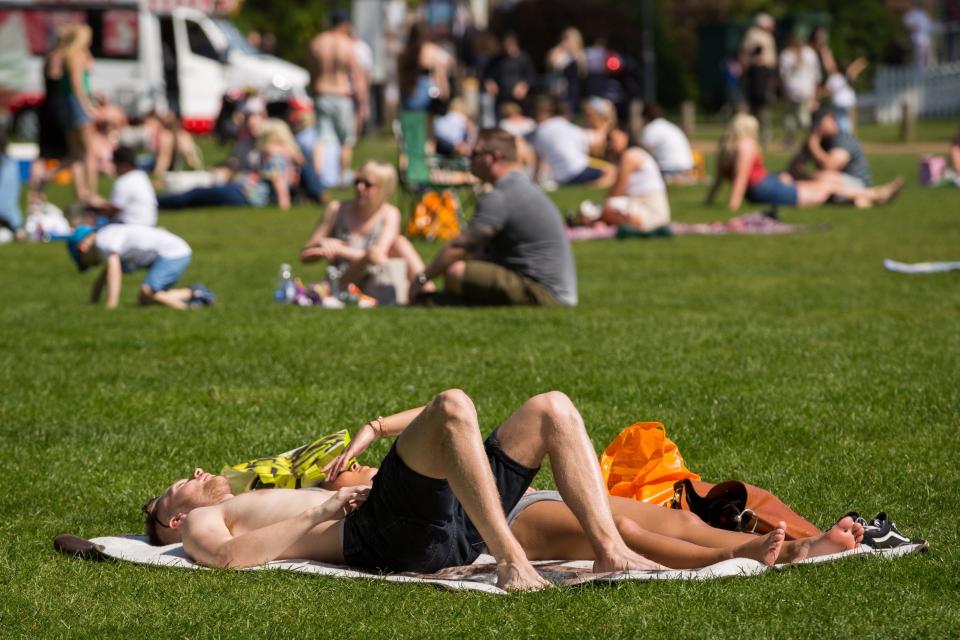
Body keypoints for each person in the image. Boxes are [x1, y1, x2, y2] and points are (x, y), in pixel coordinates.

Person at [142, 394, 868, 582]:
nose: (199, 475)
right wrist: (331, 508)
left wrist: (350, 466)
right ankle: (517, 565)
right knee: (453, 405)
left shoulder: (259, 482)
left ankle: (767, 551)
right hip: (377, 534)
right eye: (184, 485)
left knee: (551, 408)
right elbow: (233, 561)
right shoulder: (212, 528)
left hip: (438, 513)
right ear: (172, 524)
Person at [409, 128, 577, 307]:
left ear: (493, 157)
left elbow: (460, 246)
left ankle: (435, 300)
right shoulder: (519, 186)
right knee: (467, 267)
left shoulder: (502, 195)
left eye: (475, 153)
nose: (469, 158)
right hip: (547, 288)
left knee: (456, 272)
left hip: (544, 294)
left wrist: (421, 278)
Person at [705, 113, 897, 211]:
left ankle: (872, 194)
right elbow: (741, 178)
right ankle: (875, 195)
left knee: (825, 184)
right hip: (765, 188)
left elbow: (720, 180)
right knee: (825, 188)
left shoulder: (727, 149)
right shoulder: (746, 145)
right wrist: (733, 205)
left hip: (767, 184)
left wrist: (709, 201)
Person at [299, 160, 430, 295]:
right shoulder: (336, 209)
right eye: (357, 182)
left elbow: (377, 256)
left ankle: (428, 289)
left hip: (375, 278)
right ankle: (425, 290)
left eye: (367, 184)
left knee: (400, 243)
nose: (360, 187)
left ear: (385, 189)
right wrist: (322, 244)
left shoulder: (390, 214)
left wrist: (339, 250)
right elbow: (304, 255)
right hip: (342, 280)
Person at [158, 118, 302, 211]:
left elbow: (278, 180)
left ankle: (157, 202)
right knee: (197, 198)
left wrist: (284, 204)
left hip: (245, 195)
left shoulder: (274, 153)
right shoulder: (288, 153)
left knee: (196, 194)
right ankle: (160, 202)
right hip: (247, 195)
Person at [66, 223, 213, 310]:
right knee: (145, 300)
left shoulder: (103, 242)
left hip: (173, 253)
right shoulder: (106, 235)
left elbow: (114, 272)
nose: (91, 265)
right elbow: (103, 277)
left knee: (147, 292)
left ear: (82, 247)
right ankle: (194, 294)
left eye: (84, 261)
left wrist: (111, 305)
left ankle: (189, 307)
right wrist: (94, 302)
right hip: (173, 251)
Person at [789, 108, 903, 206]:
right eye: (818, 124)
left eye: (824, 122)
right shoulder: (818, 140)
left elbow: (830, 166)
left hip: (858, 183)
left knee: (826, 177)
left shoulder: (843, 138)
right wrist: (807, 176)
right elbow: (793, 168)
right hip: (830, 184)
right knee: (788, 179)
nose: (832, 122)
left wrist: (814, 146)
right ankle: (863, 198)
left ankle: (872, 194)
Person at [307, 10, 369, 184]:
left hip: (322, 93)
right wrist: (362, 103)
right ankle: (342, 178)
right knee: (346, 141)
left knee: (321, 138)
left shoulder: (317, 42)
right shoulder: (348, 44)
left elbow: (311, 72)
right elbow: (357, 76)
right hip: (342, 95)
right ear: (345, 24)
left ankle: (317, 179)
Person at [576, 130, 670, 233]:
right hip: (648, 209)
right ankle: (595, 220)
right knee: (609, 207)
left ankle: (593, 221)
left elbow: (617, 192)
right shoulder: (635, 153)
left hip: (651, 214)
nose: (610, 144)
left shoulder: (630, 156)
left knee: (610, 206)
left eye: (612, 140)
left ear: (625, 136)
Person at [58, 24, 101, 204]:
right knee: (89, 152)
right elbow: (78, 83)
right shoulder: (76, 55)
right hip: (77, 103)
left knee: (76, 153)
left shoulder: (67, 54)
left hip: (67, 103)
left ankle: (81, 193)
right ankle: (91, 193)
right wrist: (87, 105)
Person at [530, 96, 614, 188]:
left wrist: (534, 181)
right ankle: (589, 187)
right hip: (577, 171)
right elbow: (597, 139)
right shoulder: (562, 125)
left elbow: (538, 161)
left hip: (561, 178)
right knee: (611, 171)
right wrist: (607, 124)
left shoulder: (539, 131)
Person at [90, 146, 158, 226]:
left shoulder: (123, 181)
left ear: (124, 165)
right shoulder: (142, 176)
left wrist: (95, 211)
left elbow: (113, 211)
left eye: (115, 164)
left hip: (130, 226)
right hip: (149, 224)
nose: (114, 169)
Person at [778, 31, 822, 147]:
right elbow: (816, 75)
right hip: (797, 90)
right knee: (795, 116)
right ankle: (798, 138)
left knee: (799, 116)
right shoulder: (789, 54)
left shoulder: (804, 54)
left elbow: (815, 74)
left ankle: (808, 139)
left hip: (799, 90)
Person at [740, 14, 777, 146]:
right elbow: (748, 53)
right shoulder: (753, 34)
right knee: (752, 107)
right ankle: (749, 135)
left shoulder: (769, 37)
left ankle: (765, 136)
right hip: (755, 73)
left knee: (763, 108)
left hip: (765, 73)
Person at [397, 22, 451, 112]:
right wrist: (445, 96)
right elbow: (440, 75)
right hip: (427, 96)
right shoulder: (431, 50)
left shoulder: (404, 53)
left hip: (408, 96)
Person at [639, 103, 696, 183]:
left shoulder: (651, 128)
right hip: (688, 169)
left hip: (670, 170)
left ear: (645, 117)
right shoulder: (670, 126)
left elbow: (642, 152)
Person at [482, 32, 536, 115]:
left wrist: (524, 85)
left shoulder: (524, 58)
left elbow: (532, 77)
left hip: (519, 100)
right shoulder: (496, 60)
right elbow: (487, 75)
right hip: (501, 98)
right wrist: (490, 82)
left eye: (511, 45)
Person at [546, 28, 586, 116]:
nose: (565, 42)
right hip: (559, 90)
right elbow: (551, 63)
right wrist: (559, 48)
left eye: (567, 40)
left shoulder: (578, 56)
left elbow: (582, 72)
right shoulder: (561, 55)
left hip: (572, 91)